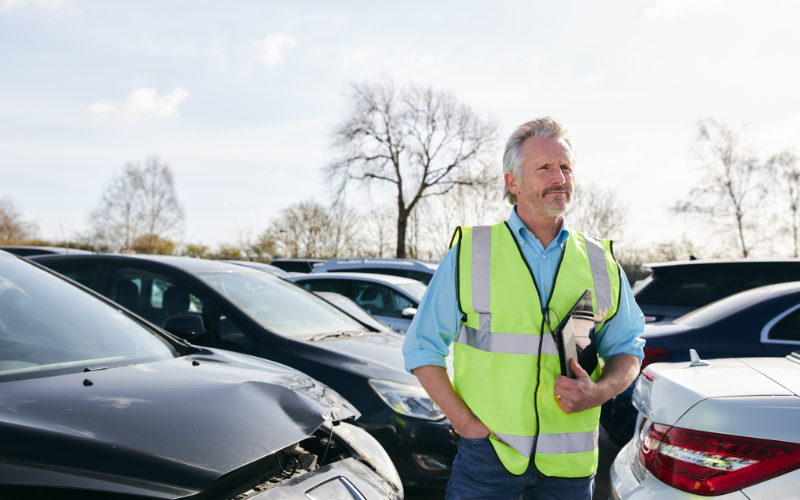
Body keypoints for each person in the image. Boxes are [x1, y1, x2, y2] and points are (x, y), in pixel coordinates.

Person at [402, 117, 645, 500]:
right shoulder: (471, 253)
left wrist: (600, 391)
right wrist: (466, 425)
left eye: (566, 167)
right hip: (489, 456)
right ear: (512, 182)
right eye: (545, 167)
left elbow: (628, 349)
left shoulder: (600, 261)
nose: (560, 178)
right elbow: (421, 348)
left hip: (570, 467)